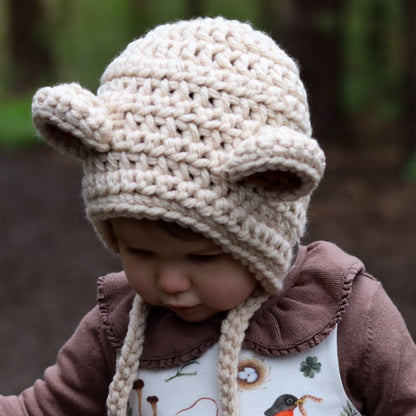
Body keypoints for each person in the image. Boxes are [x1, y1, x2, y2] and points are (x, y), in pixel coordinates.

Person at [1, 16, 415, 416]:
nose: (170, 282)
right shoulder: (121, 326)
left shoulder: (345, 311)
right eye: (140, 253)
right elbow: (42, 409)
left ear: (274, 184)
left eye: (201, 258)